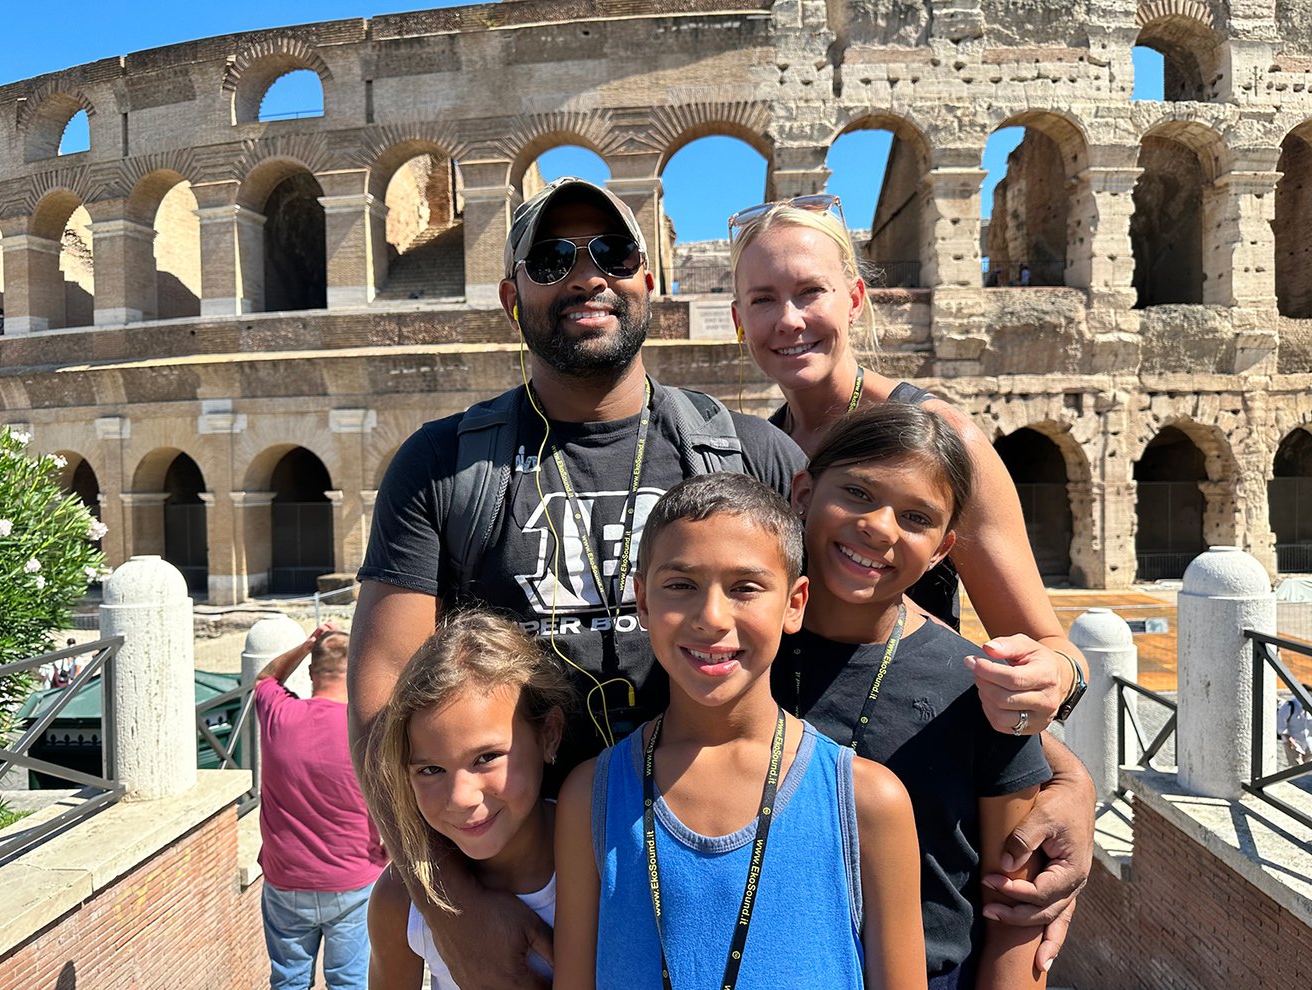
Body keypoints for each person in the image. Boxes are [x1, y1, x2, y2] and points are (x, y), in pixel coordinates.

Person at [350, 177, 805, 989]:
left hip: (719, 867)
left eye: (613, 253)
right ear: (510, 297)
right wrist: (451, 903)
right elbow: (384, 702)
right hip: (525, 897)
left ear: (648, 280)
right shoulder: (442, 466)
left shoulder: (750, 456)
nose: (587, 275)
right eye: (552, 259)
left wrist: (1034, 744)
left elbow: (861, 645)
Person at [730, 196, 1094, 967]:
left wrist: (1070, 778)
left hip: (927, 785)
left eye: (810, 291)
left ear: (855, 298)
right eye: (763, 299)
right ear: (738, 318)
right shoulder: (761, 455)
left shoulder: (945, 439)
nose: (788, 319)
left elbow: (1049, 647)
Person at [555, 472, 927, 989]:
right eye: (681, 586)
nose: (711, 617)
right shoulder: (591, 797)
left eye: (744, 588)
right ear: (642, 601)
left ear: (794, 603)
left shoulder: (868, 802)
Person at [775, 403, 1052, 987]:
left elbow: (1016, 911)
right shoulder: (740, 655)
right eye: (857, 493)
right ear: (803, 495)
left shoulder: (978, 687)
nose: (879, 527)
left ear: (942, 550)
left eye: (915, 517)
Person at [366, 611, 571, 989]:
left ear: (549, 735)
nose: (460, 798)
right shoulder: (399, 899)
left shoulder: (610, 859)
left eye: (486, 758)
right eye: (431, 770)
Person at [256, 623, 386, 990]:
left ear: (312, 672)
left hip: (286, 879)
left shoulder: (277, 714)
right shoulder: (369, 731)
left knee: (288, 981)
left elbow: (266, 677)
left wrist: (306, 644)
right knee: (349, 982)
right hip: (353, 879)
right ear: (355, 672)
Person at [1277, 687, 1312, 767]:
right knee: (1297, 769)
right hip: (1293, 743)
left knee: (1311, 769)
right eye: (1310, 695)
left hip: (1309, 743)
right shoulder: (1289, 706)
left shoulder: (1310, 707)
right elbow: (1281, 726)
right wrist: (1290, 741)